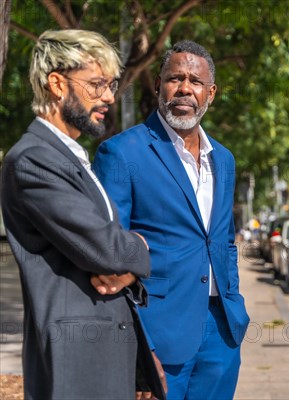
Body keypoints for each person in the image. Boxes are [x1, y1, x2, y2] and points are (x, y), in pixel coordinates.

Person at [0, 29, 163, 399]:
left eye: (111, 85)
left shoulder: (67, 155)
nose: (108, 96)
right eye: (96, 84)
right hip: (76, 365)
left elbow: (110, 258)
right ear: (57, 84)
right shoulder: (33, 160)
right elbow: (105, 249)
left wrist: (127, 272)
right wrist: (140, 245)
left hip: (102, 357)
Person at [93, 40, 250, 399]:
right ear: (157, 86)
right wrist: (134, 353)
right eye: (174, 78)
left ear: (211, 92)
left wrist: (233, 300)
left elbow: (223, 239)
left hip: (221, 329)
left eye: (195, 81)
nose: (184, 88)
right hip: (158, 334)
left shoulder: (223, 159)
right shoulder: (121, 152)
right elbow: (109, 250)